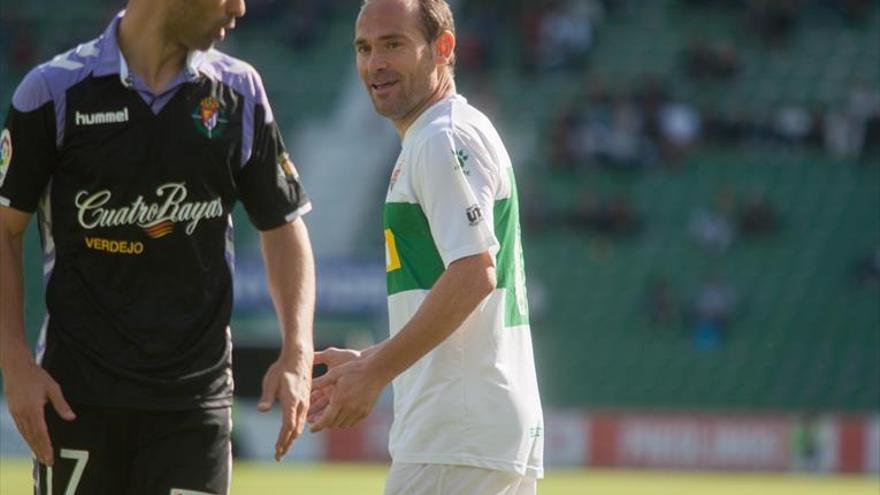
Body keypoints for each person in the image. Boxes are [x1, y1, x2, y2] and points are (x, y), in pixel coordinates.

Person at [0, 1, 316, 493]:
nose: (240, 7)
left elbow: (282, 225)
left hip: (195, 405)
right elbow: (4, 229)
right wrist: (15, 361)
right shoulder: (51, 92)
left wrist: (298, 349)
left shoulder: (240, 91)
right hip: (75, 399)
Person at [308, 1, 544, 494]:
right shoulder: (439, 136)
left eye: (394, 44)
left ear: (443, 48)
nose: (375, 63)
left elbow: (474, 272)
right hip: (472, 435)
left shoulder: (442, 138)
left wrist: (376, 370)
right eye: (364, 48)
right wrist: (375, 356)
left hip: (454, 439)